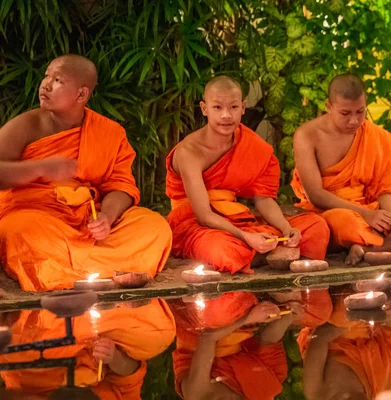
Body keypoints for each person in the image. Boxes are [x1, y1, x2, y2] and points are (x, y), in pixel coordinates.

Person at [0, 54, 172, 292]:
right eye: (46, 76)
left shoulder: (109, 132)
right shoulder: (25, 126)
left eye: (57, 80)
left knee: (154, 226)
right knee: (22, 232)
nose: (45, 85)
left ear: (81, 94)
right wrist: (38, 168)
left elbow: (120, 186)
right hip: (38, 216)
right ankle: (107, 269)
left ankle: (70, 271)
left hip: (88, 221)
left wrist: (107, 218)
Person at [166, 76, 329, 274]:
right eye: (217, 108)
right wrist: (245, 237)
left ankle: (262, 252)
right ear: (204, 108)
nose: (226, 115)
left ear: (243, 108)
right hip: (196, 224)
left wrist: (287, 229)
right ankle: (271, 253)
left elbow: (264, 201)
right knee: (220, 249)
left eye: (233, 107)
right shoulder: (189, 152)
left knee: (316, 226)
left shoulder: (253, 147)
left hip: (239, 220)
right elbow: (204, 215)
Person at [291, 73, 391, 265]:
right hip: (332, 212)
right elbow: (315, 194)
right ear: (329, 107)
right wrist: (367, 216)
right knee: (346, 223)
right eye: (345, 113)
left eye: (360, 112)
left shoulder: (374, 135)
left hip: (371, 209)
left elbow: (384, 189)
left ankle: (366, 249)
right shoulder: (307, 135)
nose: (354, 121)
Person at [0, 298, 176, 399]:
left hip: (34, 344)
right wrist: (113, 358)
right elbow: (130, 377)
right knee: (160, 332)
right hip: (96, 324)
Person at [171, 291, 296, 399]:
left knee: (219, 314)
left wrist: (248, 318)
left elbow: (207, 338)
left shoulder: (198, 394)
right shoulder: (265, 388)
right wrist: (288, 314)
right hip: (243, 321)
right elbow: (269, 342)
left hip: (200, 324)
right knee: (309, 307)